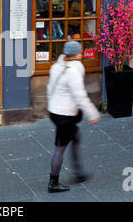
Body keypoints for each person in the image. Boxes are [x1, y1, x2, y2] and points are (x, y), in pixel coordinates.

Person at [47, 41, 101, 193]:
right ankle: (53, 183)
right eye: (80, 51)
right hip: (65, 115)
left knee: (76, 137)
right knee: (59, 148)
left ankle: (78, 173)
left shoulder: (56, 66)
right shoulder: (74, 70)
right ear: (77, 54)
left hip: (55, 111)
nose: (82, 53)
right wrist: (93, 114)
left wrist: (53, 105)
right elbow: (80, 96)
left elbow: (50, 88)